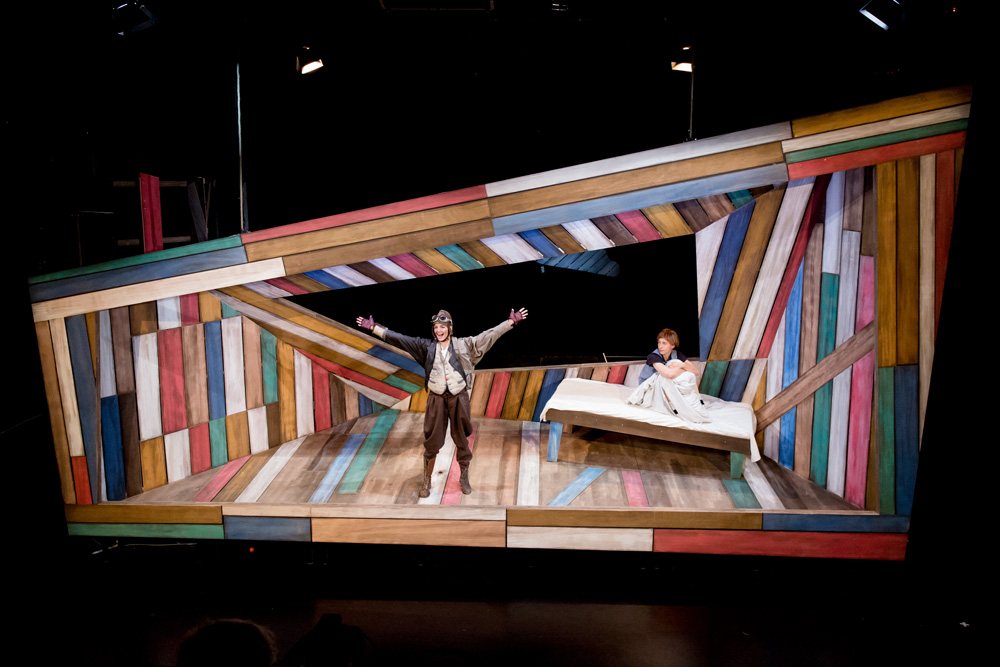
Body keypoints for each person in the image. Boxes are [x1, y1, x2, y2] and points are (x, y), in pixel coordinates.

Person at [356, 307, 528, 497]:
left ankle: (464, 476)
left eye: (442, 327)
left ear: (450, 328)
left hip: (458, 397)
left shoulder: (464, 345)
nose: (439, 330)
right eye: (436, 327)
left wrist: (510, 322)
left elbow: (489, 335)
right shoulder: (426, 347)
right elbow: (401, 339)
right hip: (436, 398)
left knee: (461, 438)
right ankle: (427, 479)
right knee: (432, 440)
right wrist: (374, 328)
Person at [628, 328, 709, 422]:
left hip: (665, 387)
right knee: (664, 376)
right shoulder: (653, 356)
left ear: (672, 345)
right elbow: (669, 374)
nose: (660, 346)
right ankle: (674, 408)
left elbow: (696, 371)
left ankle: (697, 400)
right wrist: (684, 369)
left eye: (664, 343)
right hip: (649, 390)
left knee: (689, 373)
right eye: (659, 342)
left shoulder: (676, 354)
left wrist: (682, 365)